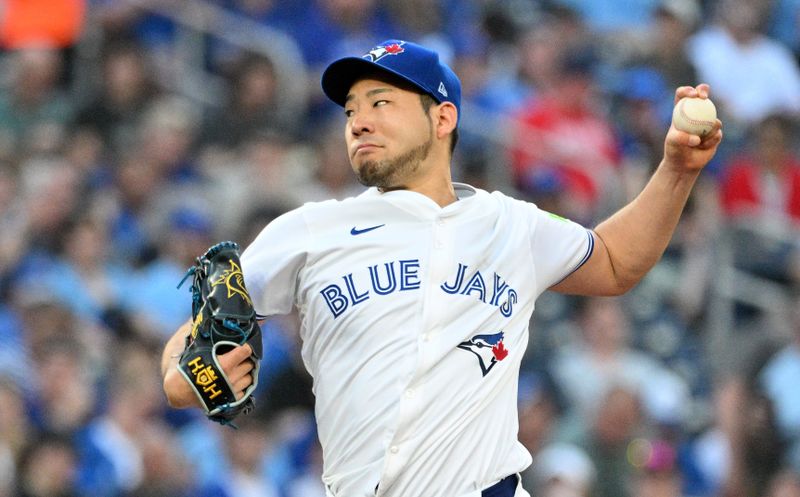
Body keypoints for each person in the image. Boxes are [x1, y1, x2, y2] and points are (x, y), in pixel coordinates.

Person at [160, 39, 722, 497]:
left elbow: (617, 262)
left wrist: (675, 170)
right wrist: (185, 378)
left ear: (443, 117)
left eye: (380, 103)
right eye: (351, 110)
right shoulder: (311, 229)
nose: (358, 122)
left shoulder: (510, 224)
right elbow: (194, 336)